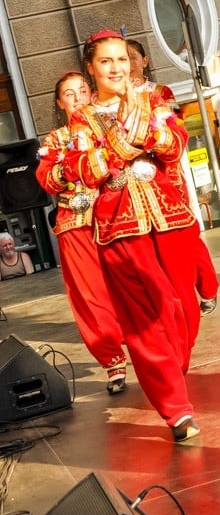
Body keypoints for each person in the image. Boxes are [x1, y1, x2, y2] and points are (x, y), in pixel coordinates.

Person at [64, 29, 205, 442]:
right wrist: (130, 134)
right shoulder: (83, 118)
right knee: (149, 316)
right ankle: (175, 409)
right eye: (106, 62)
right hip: (119, 228)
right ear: (91, 69)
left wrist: (136, 122)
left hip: (170, 219)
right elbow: (88, 170)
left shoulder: (155, 99)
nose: (116, 68)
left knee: (183, 312)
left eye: (122, 60)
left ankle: (172, 373)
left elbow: (176, 145)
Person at [36, 71, 128, 393]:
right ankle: (113, 361)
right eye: (69, 94)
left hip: (117, 217)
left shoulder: (110, 128)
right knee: (91, 295)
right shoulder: (55, 140)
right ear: (60, 102)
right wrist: (70, 167)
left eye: (82, 91)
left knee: (129, 283)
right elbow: (46, 178)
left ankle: (145, 343)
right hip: (75, 224)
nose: (77, 98)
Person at [127, 38, 219, 314]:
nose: (127, 64)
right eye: (121, 58)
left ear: (145, 61)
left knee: (186, 236)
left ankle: (207, 289)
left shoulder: (159, 92)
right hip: (135, 184)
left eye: (132, 57)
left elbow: (174, 128)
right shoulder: (112, 99)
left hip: (168, 176)